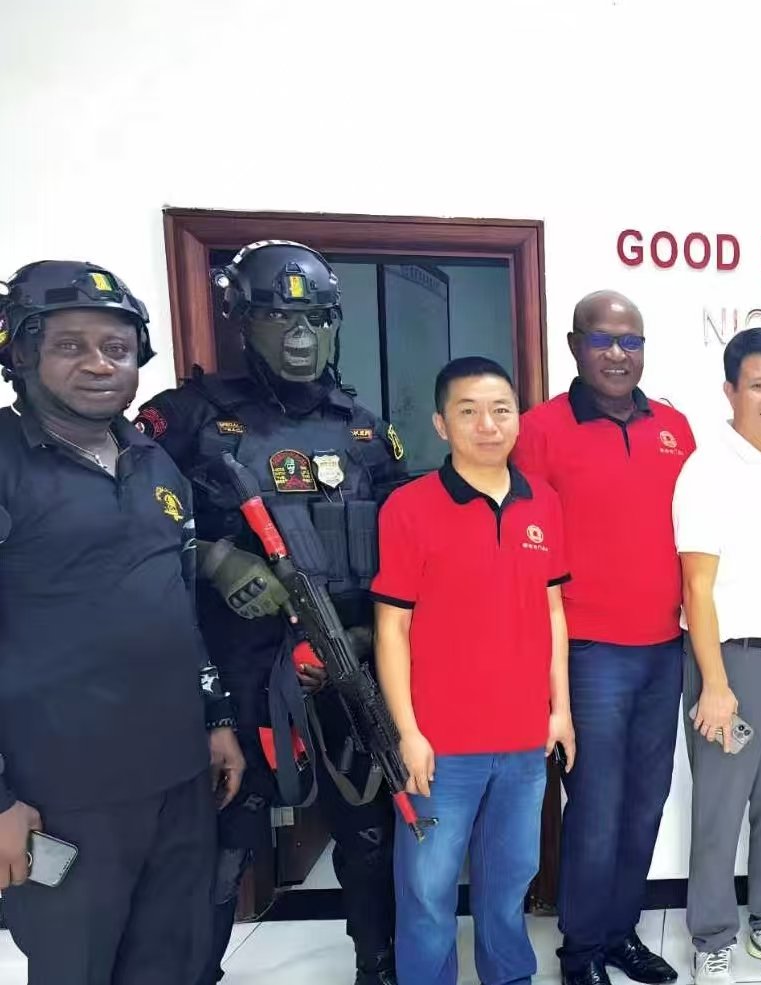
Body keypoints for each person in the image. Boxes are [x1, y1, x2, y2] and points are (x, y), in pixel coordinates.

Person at [134, 241, 407, 985]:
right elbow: (126, 531)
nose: (299, 335)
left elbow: (410, 549)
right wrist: (214, 559)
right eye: (278, 318)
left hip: (346, 657)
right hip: (241, 671)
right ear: (241, 321)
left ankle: (378, 969)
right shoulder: (186, 419)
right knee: (225, 837)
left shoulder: (363, 428)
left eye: (315, 319)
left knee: (369, 833)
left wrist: (371, 636)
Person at [0, 260, 243, 984]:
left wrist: (215, 720)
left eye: (117, 347)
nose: (99, 364)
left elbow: (176, 606)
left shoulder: (153, 462)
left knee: (172, 961)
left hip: (176, 778)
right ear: (22, 354)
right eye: (70, 346)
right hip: (62, 793)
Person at [512, 290, 694, 985]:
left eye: (631, 341)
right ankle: (581, 951)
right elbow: (527, 549)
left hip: (665, 647)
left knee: (645, 803)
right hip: (587, 653)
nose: (618, 354)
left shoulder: (673, 427)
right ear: (574, 346)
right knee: (594, 807)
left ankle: (621, 933)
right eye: (602, 339)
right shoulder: (540, 430)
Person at [372, 357, 572, 985]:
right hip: (439, 745)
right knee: (427, 892)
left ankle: (508, 977)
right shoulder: (408, 507)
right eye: (469, 412)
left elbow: (553, 611)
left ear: (517, 419)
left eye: (501, 410)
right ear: (442, 424)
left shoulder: (543, 503)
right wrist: (406, 732)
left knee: (509, 883)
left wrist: (561, 711)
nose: (488, 425)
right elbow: (391, 628)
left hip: (522, 740)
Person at [672, 327, 761, 985]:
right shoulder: (706, 471)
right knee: (720, 810)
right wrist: (715, 684)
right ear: (730, 390)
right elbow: (696, 587)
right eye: (758, 385)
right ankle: (712, 937)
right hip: (729, 662)